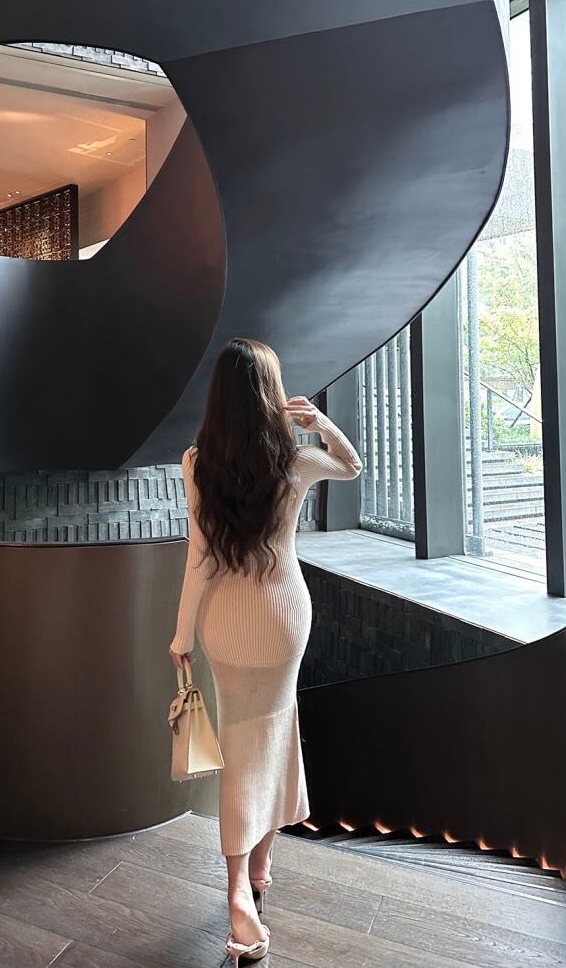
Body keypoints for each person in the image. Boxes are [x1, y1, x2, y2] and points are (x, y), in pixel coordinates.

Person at [168, 337, 362, 963]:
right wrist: (318, 421)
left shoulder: (197, 463)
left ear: (219, 399)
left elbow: (199, 558)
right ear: (270, 395)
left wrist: (182, 634)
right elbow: (352, 466)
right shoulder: (296, 460)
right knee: (274, 737)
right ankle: (249, 881)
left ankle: (245, 880)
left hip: (225, 625)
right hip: (283, 619)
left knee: (243, 746)